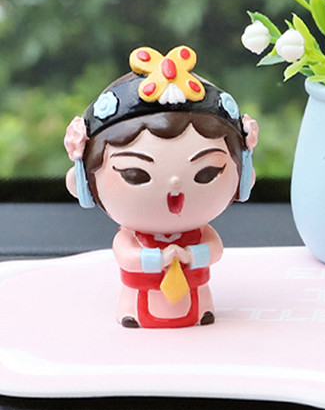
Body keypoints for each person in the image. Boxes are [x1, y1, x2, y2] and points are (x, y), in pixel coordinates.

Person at [64, 46, 259, 328]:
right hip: (141, 292)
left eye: (207, 173)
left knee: (199, 302)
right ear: (83, 182)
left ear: (244, 178)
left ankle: (202, 312)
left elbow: (215, 249)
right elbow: (126, 255)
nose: (175, 187)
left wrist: (190, 255)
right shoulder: (132, 237)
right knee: (137, 304)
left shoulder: (199, 234)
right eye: (134, 174)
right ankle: (132, 314)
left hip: (195, 291)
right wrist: (157, 258)